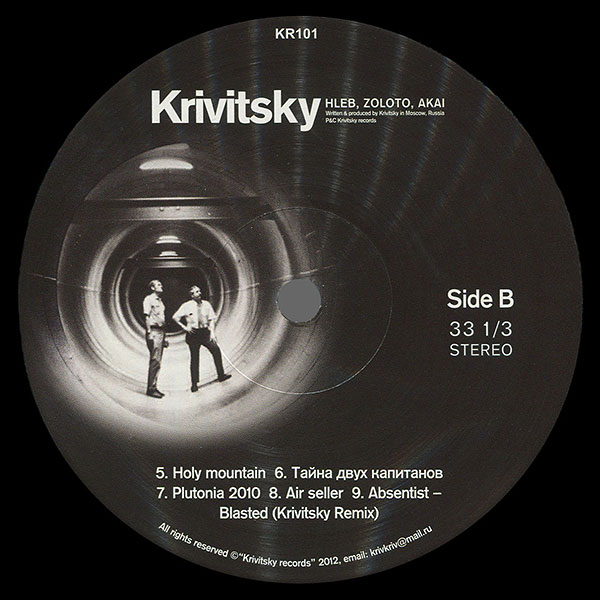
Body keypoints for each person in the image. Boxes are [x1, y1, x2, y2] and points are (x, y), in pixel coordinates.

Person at [172, 286, 231, 391]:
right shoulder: (186, 306)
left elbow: (211, 319)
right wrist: (185, 328)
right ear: (192, 295)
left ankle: (221, 375)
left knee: (216, 350)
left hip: (204, 333)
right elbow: (175, 317)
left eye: (199, 291)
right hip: (193, 334)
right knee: (195, 358)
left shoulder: (206, 304)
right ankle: (194, 384)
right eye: (196, 292)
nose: (199, 293)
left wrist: (212, 332)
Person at [142, 279, 167, 398]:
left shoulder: (160, 301)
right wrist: (149, 333)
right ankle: (151, 389)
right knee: (155, 361)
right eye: (158, 285)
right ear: (152, 288)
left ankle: (154, 386)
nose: (161, 286)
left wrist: (164, 337)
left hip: (160, 332)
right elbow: (147, 317)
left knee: (157, 361)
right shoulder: (148, 299)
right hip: (154, 331)